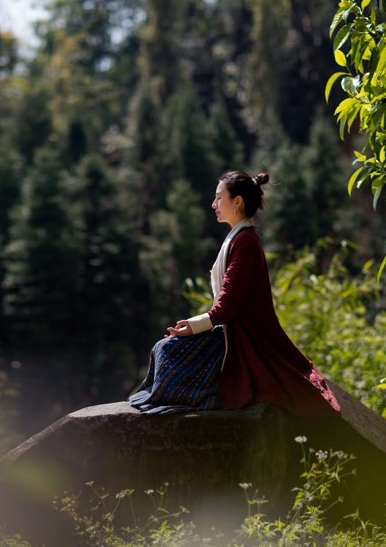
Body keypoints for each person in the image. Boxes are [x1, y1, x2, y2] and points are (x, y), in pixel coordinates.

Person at [129, 170, 341, 416]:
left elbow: (227, 306)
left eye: (219, 198)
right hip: (228, 330)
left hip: (241, 338)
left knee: (167, 351)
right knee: (163, 348)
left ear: (237, 202)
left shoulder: (246, 242)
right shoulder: (240, 238)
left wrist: (194, 325)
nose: (213, 204)